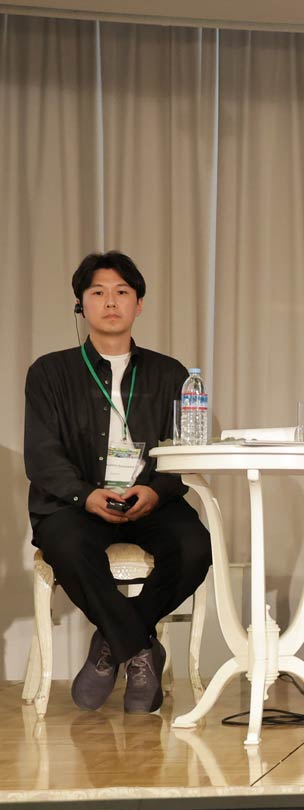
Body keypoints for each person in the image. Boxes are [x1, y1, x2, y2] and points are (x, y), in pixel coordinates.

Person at [25, 251, 212, 713]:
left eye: (122, 292)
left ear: (139, 304)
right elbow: (42, 456)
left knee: (195, 548)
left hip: (150, 499)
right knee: (67, 545)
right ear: (81, 304)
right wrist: (86, 495)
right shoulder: (49, 372)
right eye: (98, 292)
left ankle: (113, 642)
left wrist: (156, 490)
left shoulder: (171, 373)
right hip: (76, 502)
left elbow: (184, 449)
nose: (111, 302)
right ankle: (141, 648)